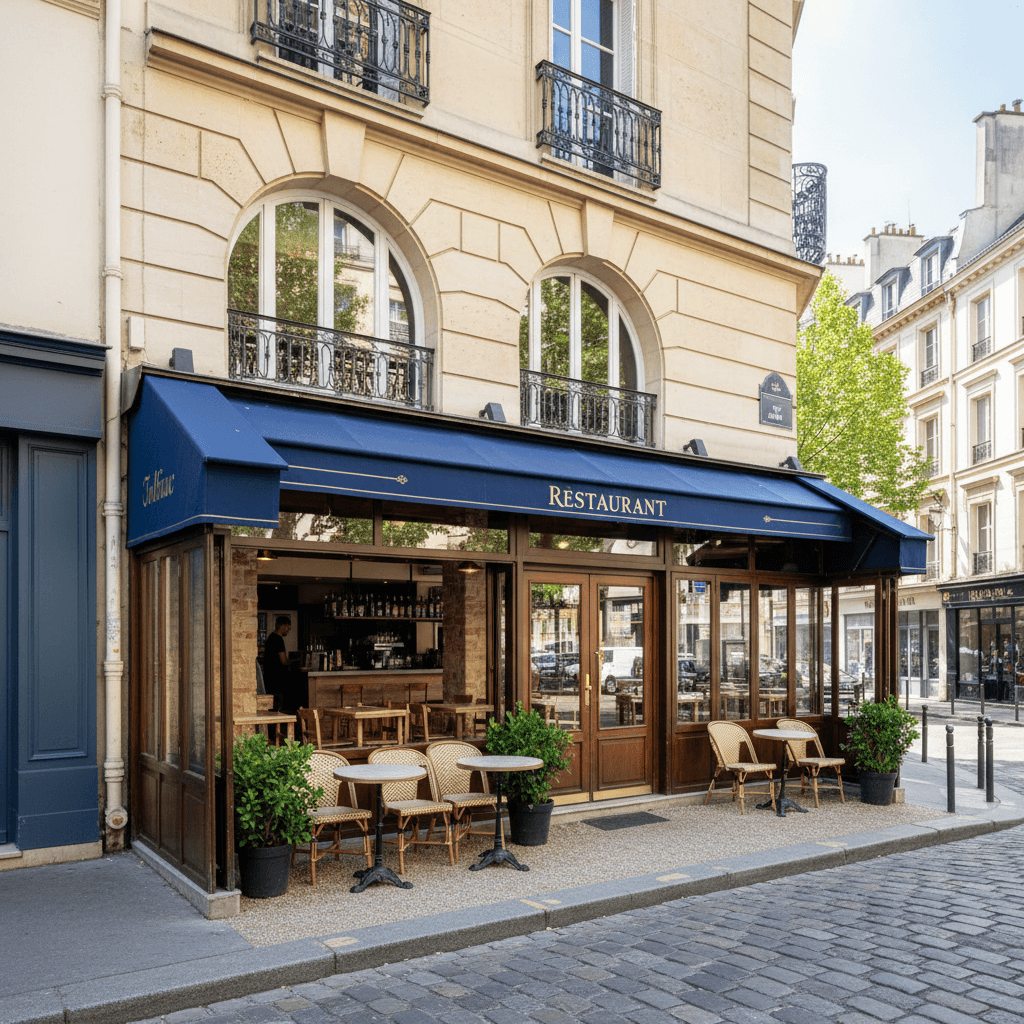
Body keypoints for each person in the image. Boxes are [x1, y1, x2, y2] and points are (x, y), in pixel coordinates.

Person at [263, 615, 291, 712]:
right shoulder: (278, 639)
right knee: (277, 708)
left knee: (271, 707)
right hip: (277, 680)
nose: (288, 630)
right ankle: (276, 726)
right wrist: (296, 660)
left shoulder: (270, 638)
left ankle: (272, 726)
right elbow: (284, 661)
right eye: (288, 628)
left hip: (269, 678)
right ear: (283, 626)